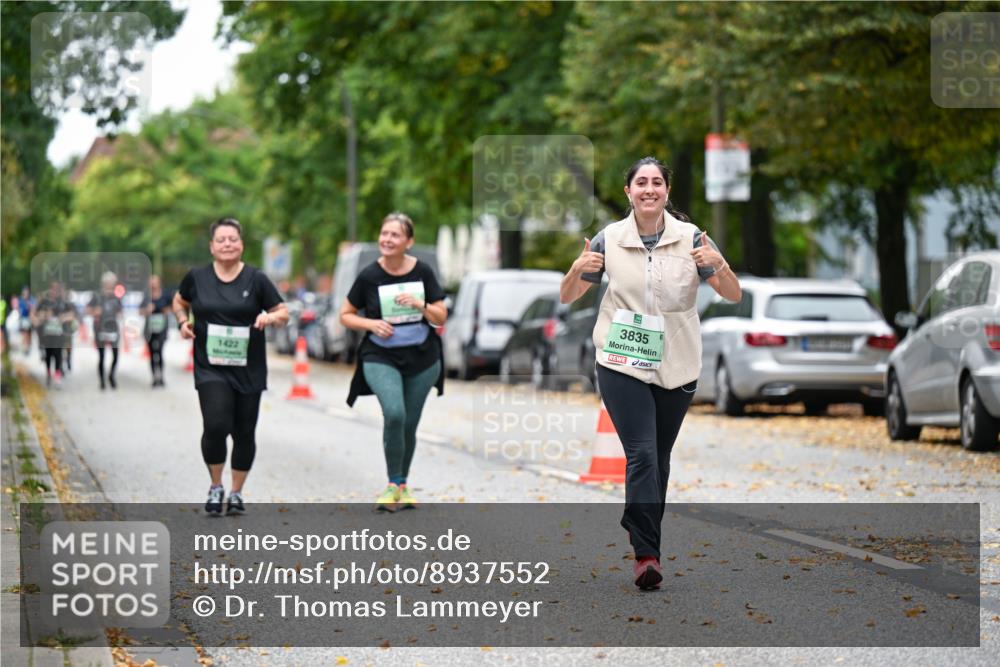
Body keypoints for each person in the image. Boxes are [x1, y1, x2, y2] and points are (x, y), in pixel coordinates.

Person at [559, 156, 741, 591]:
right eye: (641, 182)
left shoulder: (691, 239)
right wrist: (576, 270)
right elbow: (568, 296)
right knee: (641, 455)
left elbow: (732, 294)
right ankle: (647, 555)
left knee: (658, 459)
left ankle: (639, 527)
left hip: (677, 362)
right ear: (628, 191)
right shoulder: (608, 239)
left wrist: (719, 264)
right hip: (621, 359)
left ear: (666, 191)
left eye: (657, 182)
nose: (649, 189)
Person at [173, 218, 288, 516]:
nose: (227, 244)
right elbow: (179, 301)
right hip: (210, 367)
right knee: (216, 425)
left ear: (241, 245)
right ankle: (216, 486)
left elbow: (283, 312)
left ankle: (236, 492)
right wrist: (183, 322)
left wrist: (270, 317)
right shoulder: (197, 277)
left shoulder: (256, 279)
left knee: (244, 432)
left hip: (249, 367)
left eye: (233, 239)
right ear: (211, 247)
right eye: (221, 240)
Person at [340, 212, 447, 512]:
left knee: (409, 424)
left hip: (422, 358)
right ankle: (392, 483)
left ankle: (402, 485)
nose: (387, 239)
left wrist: (420, 305)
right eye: (384, 233)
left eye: (395, 235)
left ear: (408, 242)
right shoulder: (369, 275)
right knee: (395, 413)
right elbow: (345, 315)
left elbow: (440, 317)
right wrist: (371, 324)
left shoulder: (423, 272)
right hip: (380, 355)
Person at [32, 282, 74, 387]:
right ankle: (48, 374)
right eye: (53, 289)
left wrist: (64, 317)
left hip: (59, 334)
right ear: (50, 289)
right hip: (47, 334)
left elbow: (72, 315)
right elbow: (35, 314)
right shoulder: (44, 302)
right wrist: (44, 316)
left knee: (58, 354)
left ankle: (57, 376)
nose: (55, 291)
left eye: (56, 289)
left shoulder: (63, 302)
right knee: (48, 355)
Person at [88, 272, 124, 390]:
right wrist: (95, 312)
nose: (110, 285)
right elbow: (87, 310)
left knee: (115, 355)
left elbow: (120, 311)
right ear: (104, 283)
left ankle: (111, 376)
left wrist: (120, 315)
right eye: (108, 283)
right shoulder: (97, 296)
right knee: (102, 356)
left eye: (112, 283)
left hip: (113, 329)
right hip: (100, 329)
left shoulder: (116, 297)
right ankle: (102, 381)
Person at [142, 275, 172, 387]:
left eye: (154, 283)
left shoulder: (165, 294)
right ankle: (154, 377)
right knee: (152, 353)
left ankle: (161, 377)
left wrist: (164, 310)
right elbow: (140, 311)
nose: (153, 285)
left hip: (162, 328)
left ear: (159, 283)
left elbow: (172, 307)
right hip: (149, 329)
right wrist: (147, 310)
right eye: (151, 283)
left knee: (159, 351)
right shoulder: (146, 296)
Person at [17, 287, 34, 356]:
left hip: (29, 319)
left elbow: (33, 308)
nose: (26, 294)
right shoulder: (21, 301)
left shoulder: (30, 300)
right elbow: (19, 310)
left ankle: (28, 346)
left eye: (27, 293)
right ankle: (25, 347)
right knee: (25, 333)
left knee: (29, 334)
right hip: (23, 319)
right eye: (25, 293)